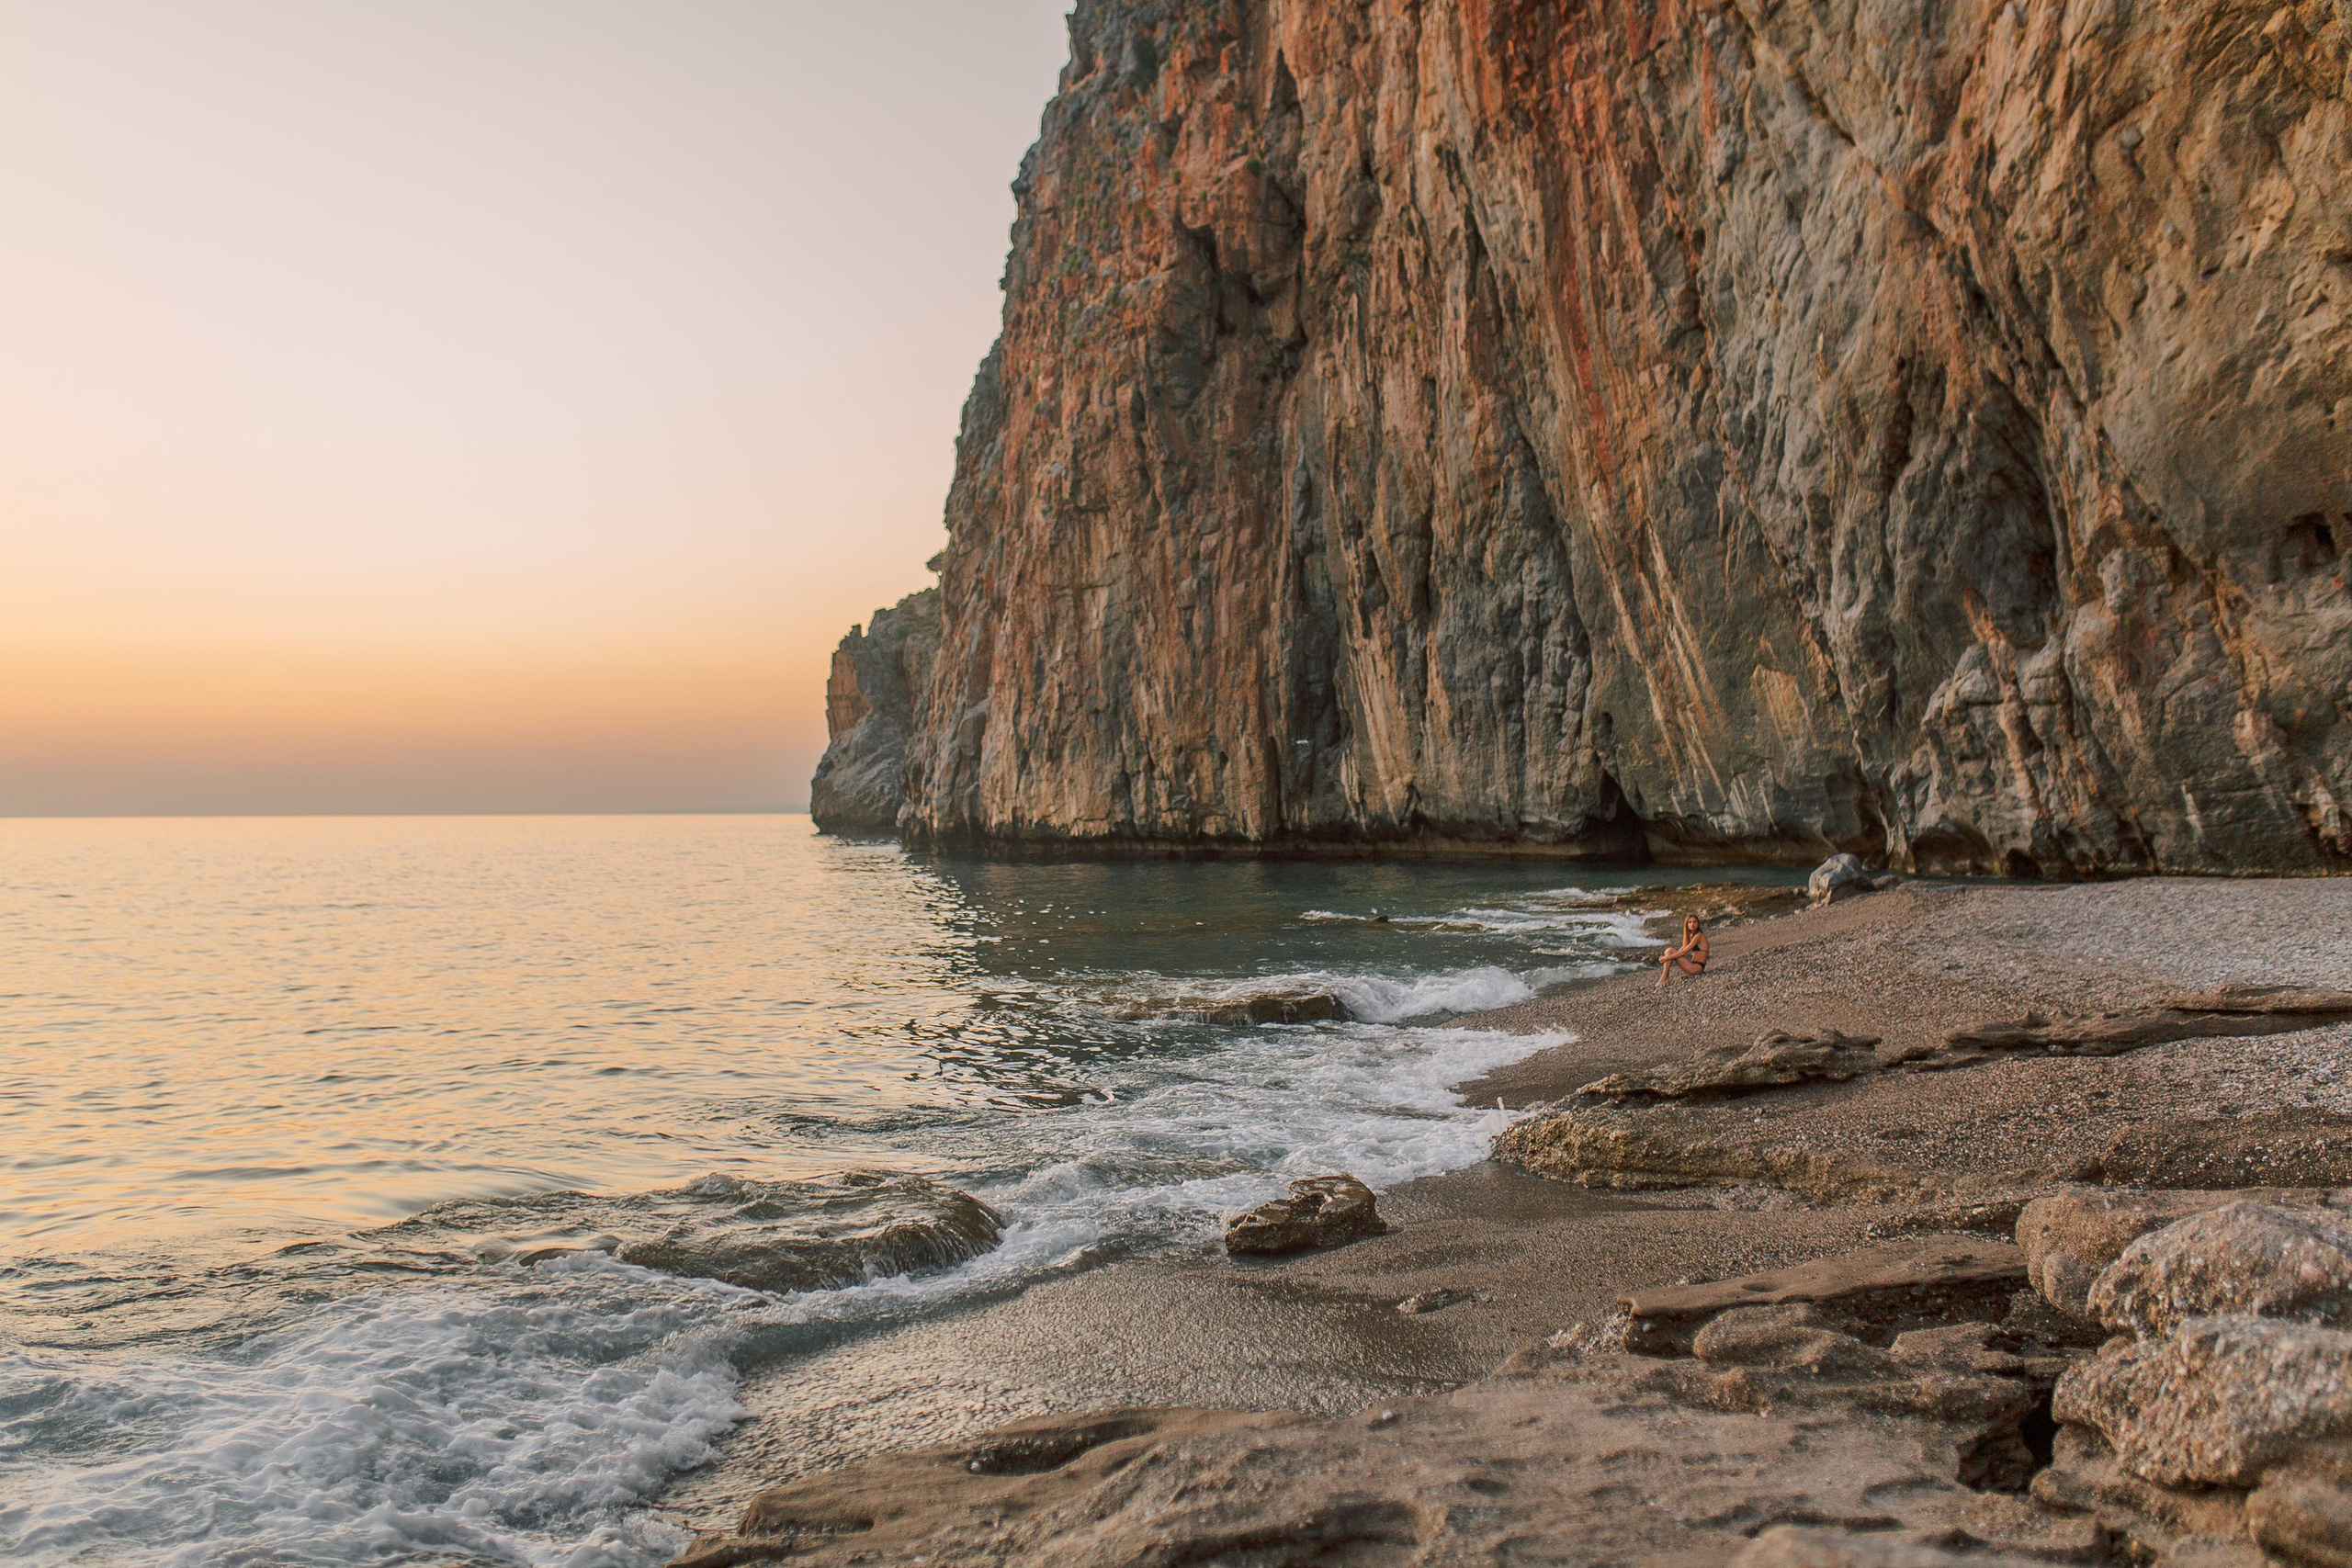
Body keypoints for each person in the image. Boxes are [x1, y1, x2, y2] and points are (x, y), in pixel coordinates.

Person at [1657, 915, 1709, 987]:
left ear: (1698, 924)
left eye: (1695, 922)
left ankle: (1664, 978)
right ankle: (1665, 978)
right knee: (1669, 951)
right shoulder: (1691, 936)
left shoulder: (1699, 936)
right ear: (1686, 925)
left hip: (1697, 968)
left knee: (1670, 950)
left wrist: (1666, 958)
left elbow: (1684, 952)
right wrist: (1669, 956)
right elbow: (1680, 951)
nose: (1692, 924)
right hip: (1693, 966)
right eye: (1690, 922)